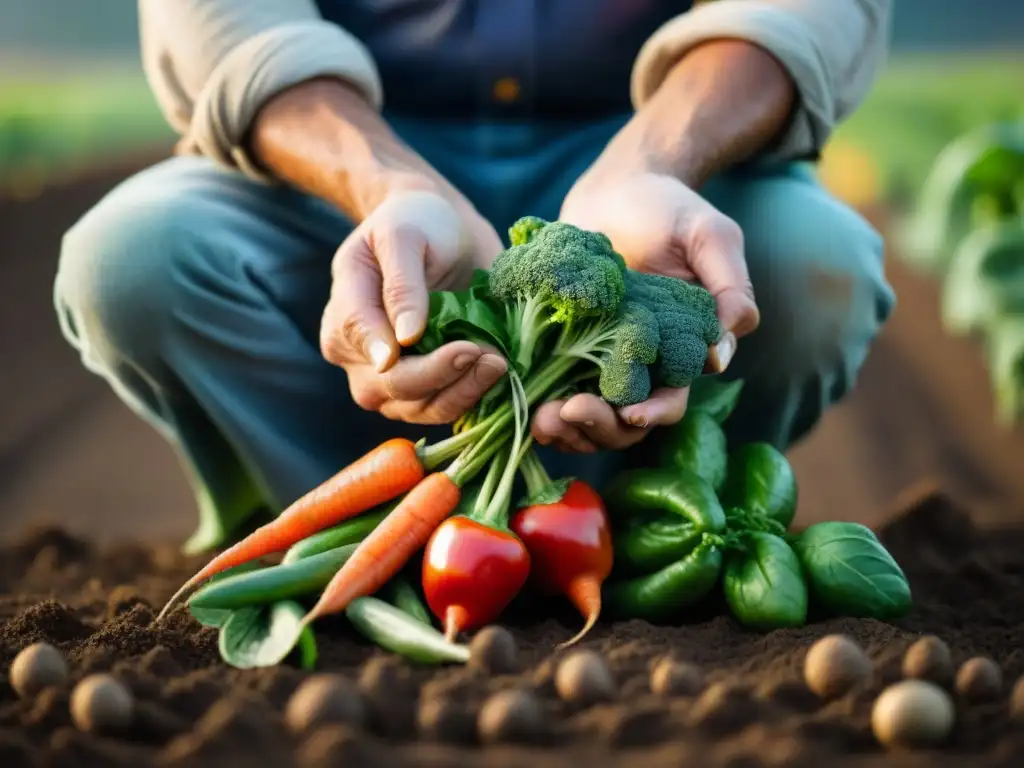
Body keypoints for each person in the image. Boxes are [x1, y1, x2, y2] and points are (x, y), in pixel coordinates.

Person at [54, 0, 894, 553]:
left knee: (821, 263)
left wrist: (651, 166)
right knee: (130, 259)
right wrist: (391, 185)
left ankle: (658, 537)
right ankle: (351, 532)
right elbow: (229, 22)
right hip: (348, 143)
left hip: (656, 135)